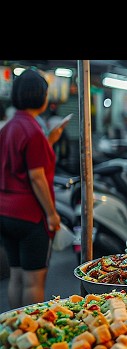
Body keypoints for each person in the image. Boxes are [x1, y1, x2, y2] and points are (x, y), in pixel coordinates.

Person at [0, 68, 66, 309]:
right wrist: (51, 214)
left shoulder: (8, 128)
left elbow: (19, 162)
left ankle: (14, 329)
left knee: (16, 275)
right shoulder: (33, 130)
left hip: (6, 213)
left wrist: (49, 141)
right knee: (33, 281)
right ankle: (30, 330)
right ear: (39, 96)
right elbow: (36, 176)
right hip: (30, 215)